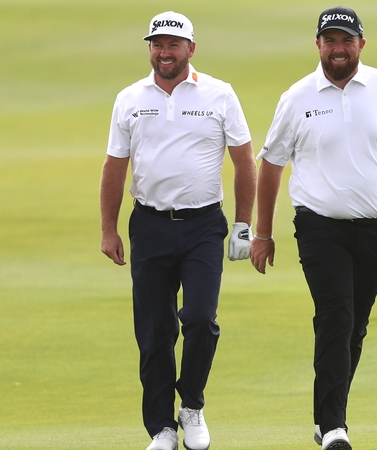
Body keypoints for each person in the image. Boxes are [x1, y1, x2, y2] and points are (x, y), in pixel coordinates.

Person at [249, 6, 377, 450]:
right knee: (337, 317)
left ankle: (325, 416)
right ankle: (334, 427)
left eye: (346, 40)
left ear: (361, 45)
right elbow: (271, 165)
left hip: (376, 228)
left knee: (355, 327)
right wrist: (263, 232)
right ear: (318, 45)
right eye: (329, 40)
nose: (338, 48)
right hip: (319, 229)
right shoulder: (297, 97)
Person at [99, 11, 257, 450]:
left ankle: (192, 405)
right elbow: (115, 166)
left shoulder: (219, 94)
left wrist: (244, 225)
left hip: (204, 225)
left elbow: (245, 161)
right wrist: (108, 229)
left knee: (201, 320)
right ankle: (162, 429)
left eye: (173, 44)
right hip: (148, 225)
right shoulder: (130, 98)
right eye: (157, 44)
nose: (164, 52)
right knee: (154, 333)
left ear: (191, 48)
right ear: (149, 48)